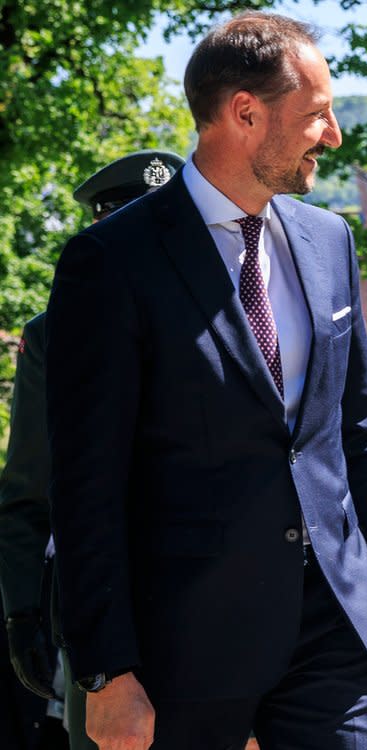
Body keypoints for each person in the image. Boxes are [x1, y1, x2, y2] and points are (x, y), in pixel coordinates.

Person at [44, 11, 367, 750]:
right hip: (184, 648)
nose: (334, 136)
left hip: (336, 633)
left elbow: (361, 430)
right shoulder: (112, 262)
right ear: (244, 113)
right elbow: (85, 484)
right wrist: (106, 672)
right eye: (316, 115)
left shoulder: (330, 242)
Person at [0, 149, 184, 750]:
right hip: (103, 614)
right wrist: (23, 609)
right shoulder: (52, 333)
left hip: (210, 602)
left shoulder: (224, 317)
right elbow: (29, 485)